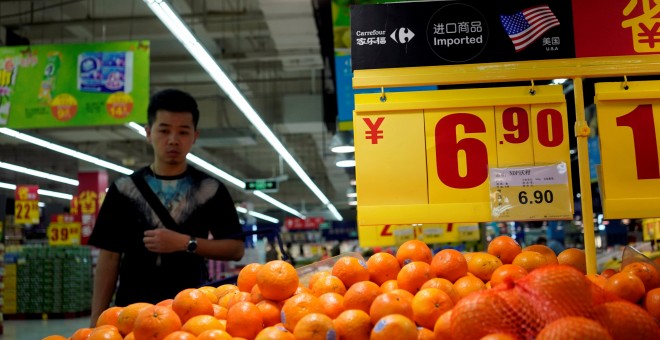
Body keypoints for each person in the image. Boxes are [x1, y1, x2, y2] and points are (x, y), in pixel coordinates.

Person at [88, 89, 245, 326]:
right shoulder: (123, 190)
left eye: (183, 132)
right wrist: (95, 324)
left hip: (192, 312)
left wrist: (186, 243)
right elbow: (109, 257)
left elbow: (235, 249)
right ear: (148, 133)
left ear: (195, 136)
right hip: (132, 313)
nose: (173, 139)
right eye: (164, 130)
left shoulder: (211, 189)